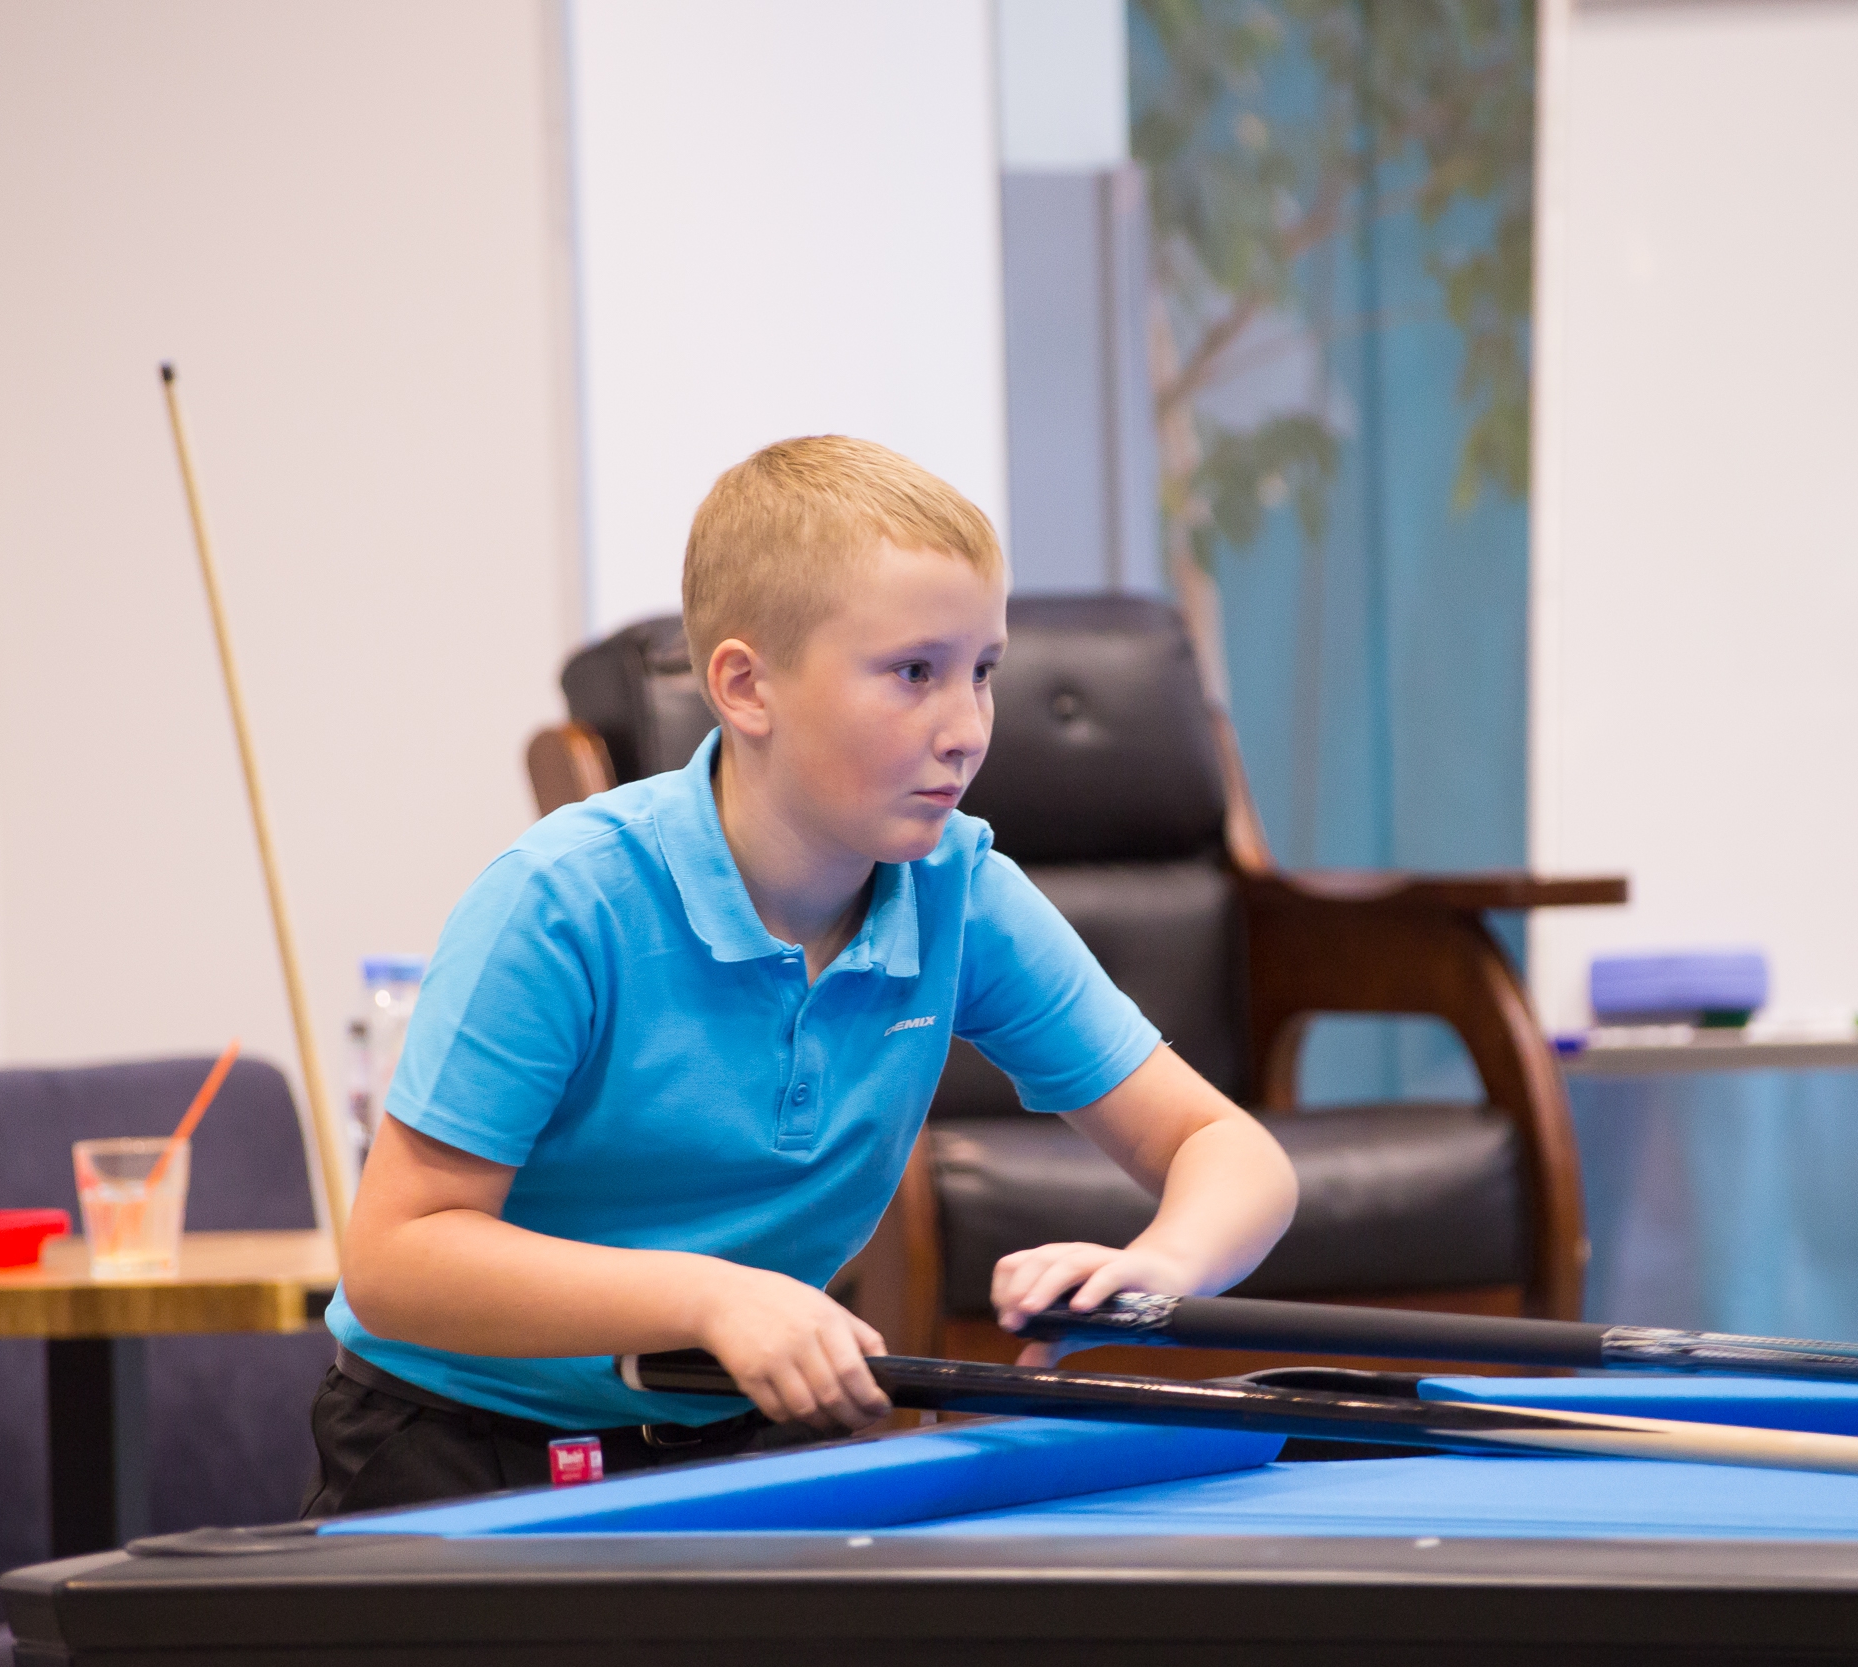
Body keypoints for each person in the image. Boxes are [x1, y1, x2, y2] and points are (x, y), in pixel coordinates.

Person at [304, 436, 1298, 1514]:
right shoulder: (562, 900)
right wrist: (709, 1297)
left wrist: (1163, 1267)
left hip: (739, 1439)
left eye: (982, 670)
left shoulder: (961, 890)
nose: (966, 729)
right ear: (745, 686)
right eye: (914, 673)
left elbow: (1224, 1147)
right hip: (457, 1445)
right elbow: (398, 1260)